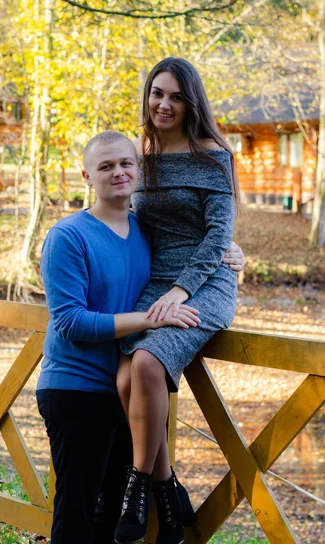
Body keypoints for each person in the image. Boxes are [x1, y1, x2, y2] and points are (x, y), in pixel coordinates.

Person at [36, 131, 202, 544]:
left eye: (126, 163)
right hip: (76, 389)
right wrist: (151, 319)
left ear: (139, 168)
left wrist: (233, 252)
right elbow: (71, 322)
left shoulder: (146, 230)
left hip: (128, 393)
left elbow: (196, 247)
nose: (118, 173)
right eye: (106, 166)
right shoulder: (68, 236)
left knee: (117, 519)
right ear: (87, 176)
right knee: (76, 515)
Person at [114, 57, 240, 544]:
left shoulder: (213, 155)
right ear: (147, 96)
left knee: (146, 363)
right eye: (157, 93)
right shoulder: (139, 155)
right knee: (124, 376)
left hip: (203, 284)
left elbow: (217, 237)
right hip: (154, 281)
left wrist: (180, 291)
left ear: (192, 102)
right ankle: (168, 489)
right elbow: (120, 212)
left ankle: (138, 486)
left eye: (176, 96)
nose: (164, 104)